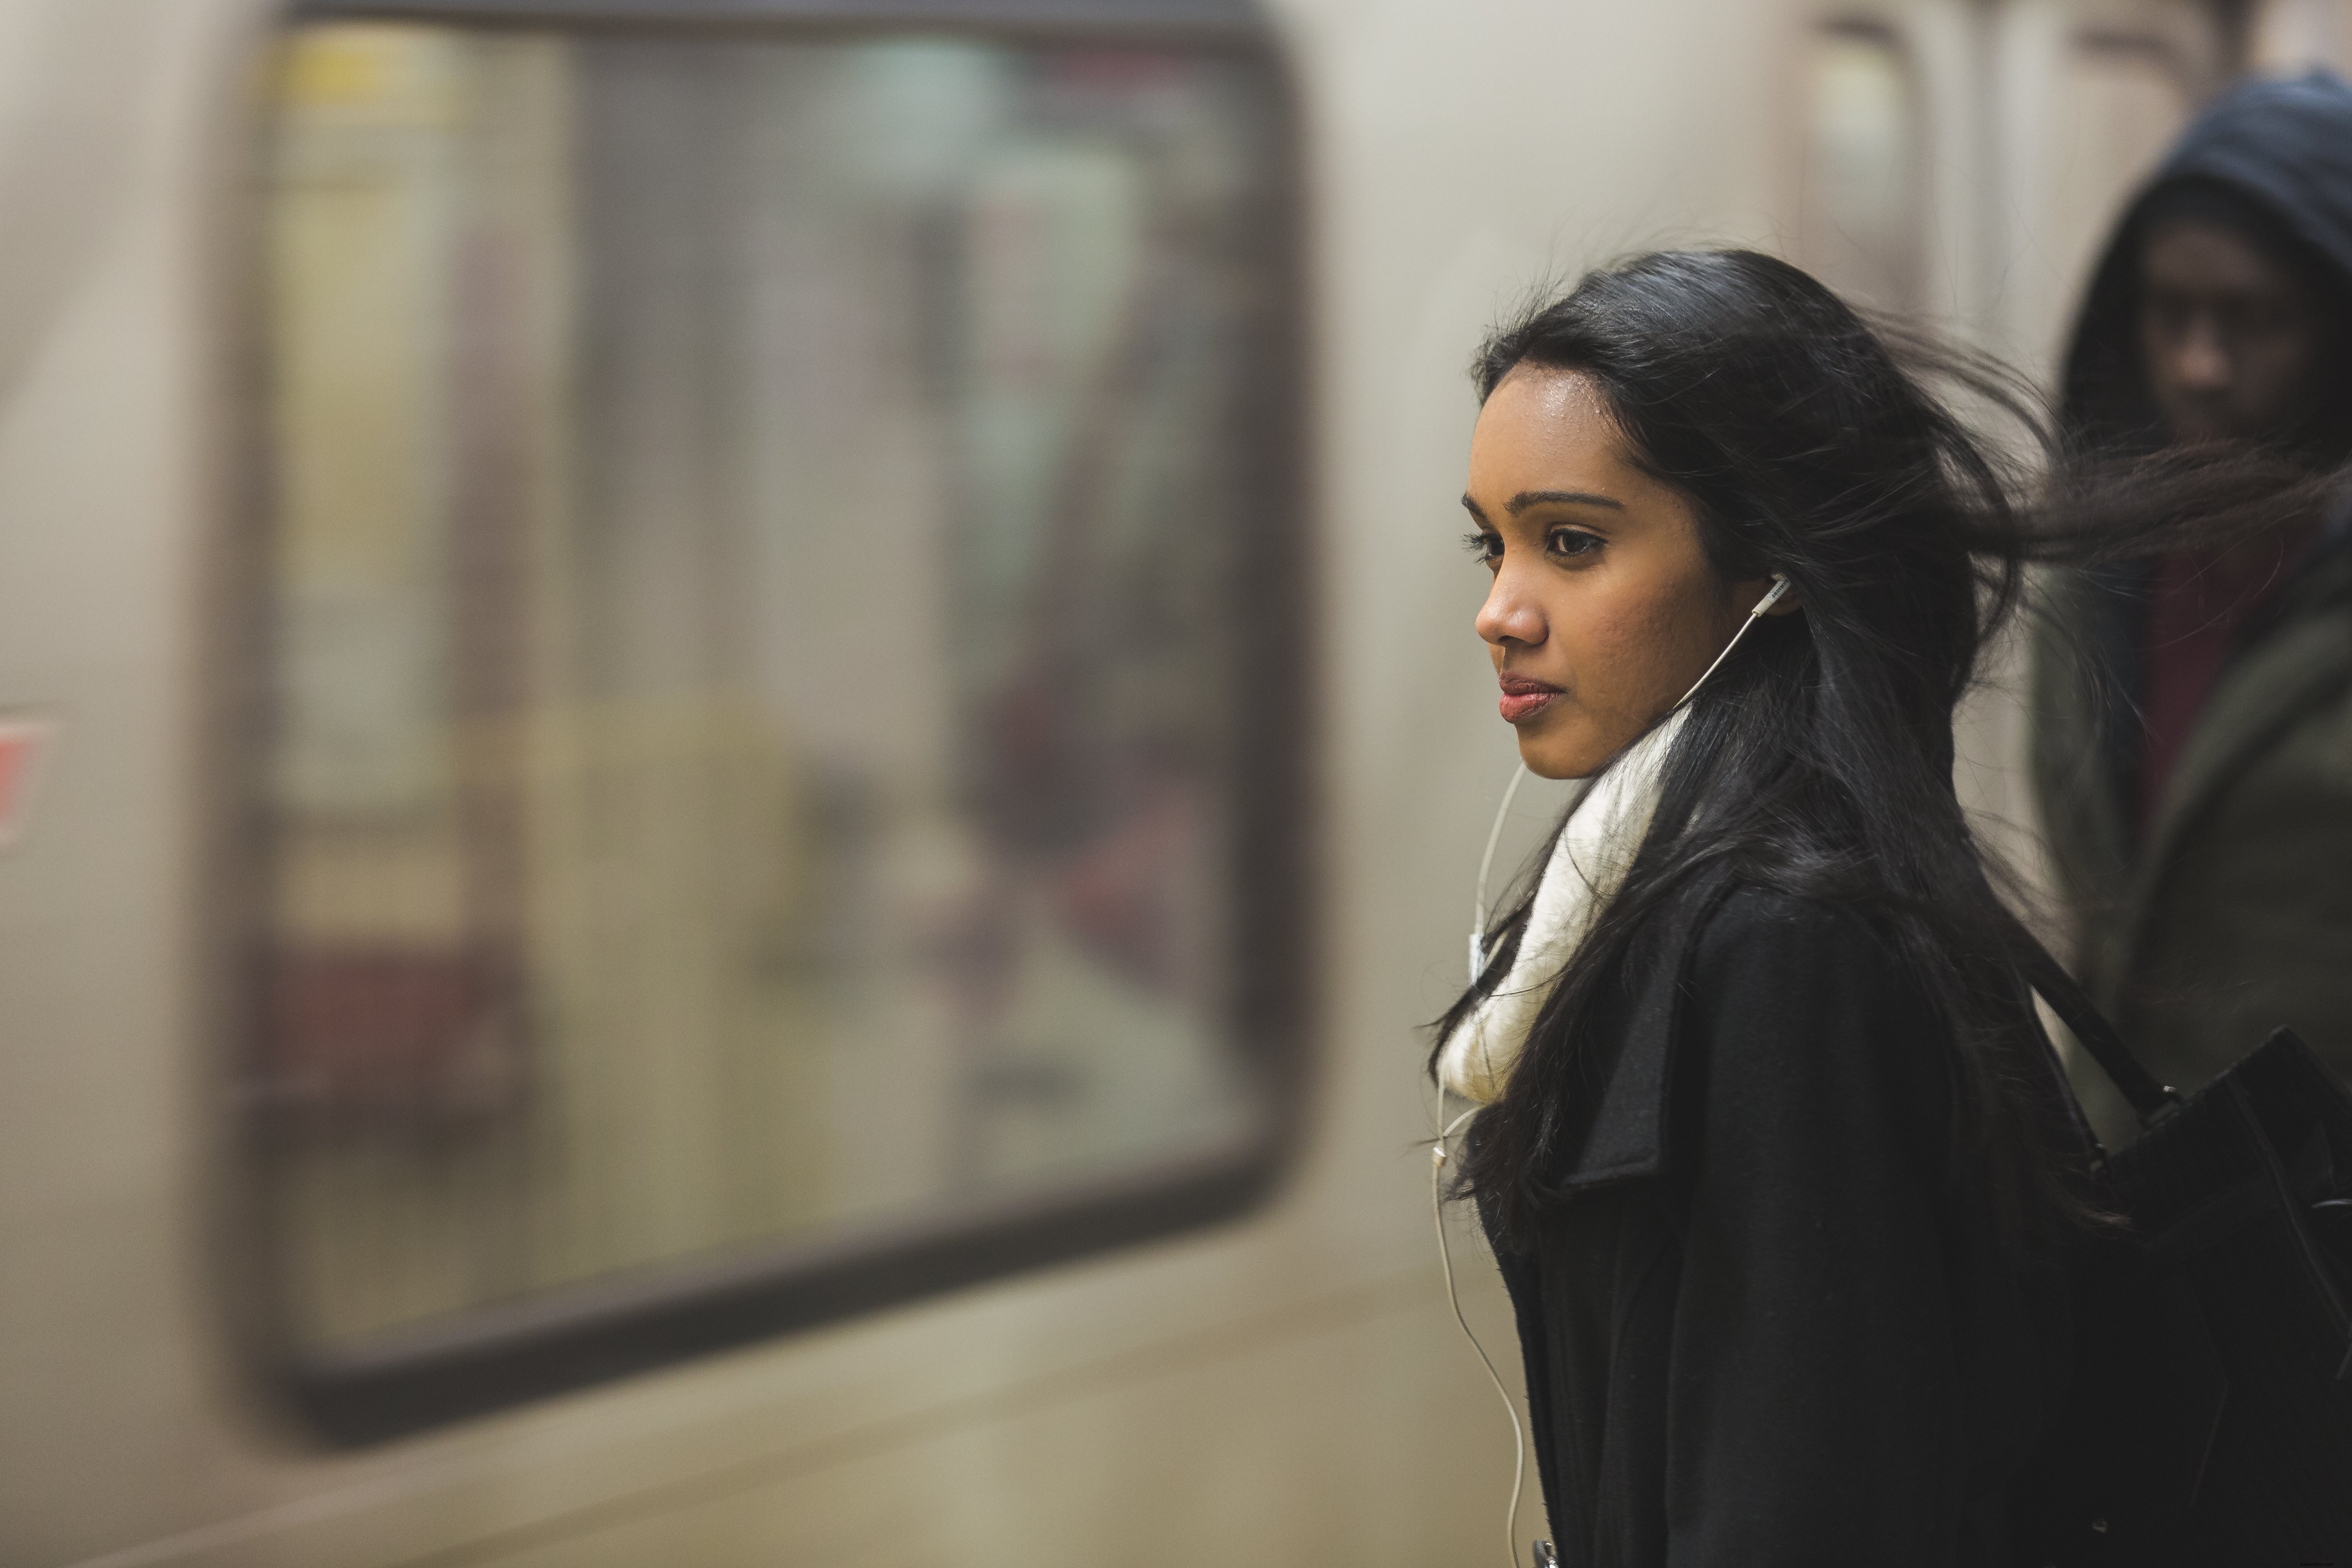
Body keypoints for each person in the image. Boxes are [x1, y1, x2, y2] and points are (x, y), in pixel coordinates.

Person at [1432, 251, 2110, 1564]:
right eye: (1494, 541)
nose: (1499, 611)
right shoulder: (1685, 892)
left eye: (1571, 543)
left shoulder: (1783, 948)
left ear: (1769, 567)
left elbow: (1806, 1501)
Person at [2032, 70, 2352, 1142]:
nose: (2200, 365)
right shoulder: (2097, 579)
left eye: (2254, 319)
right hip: (2138, 1182)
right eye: (2170, 312)